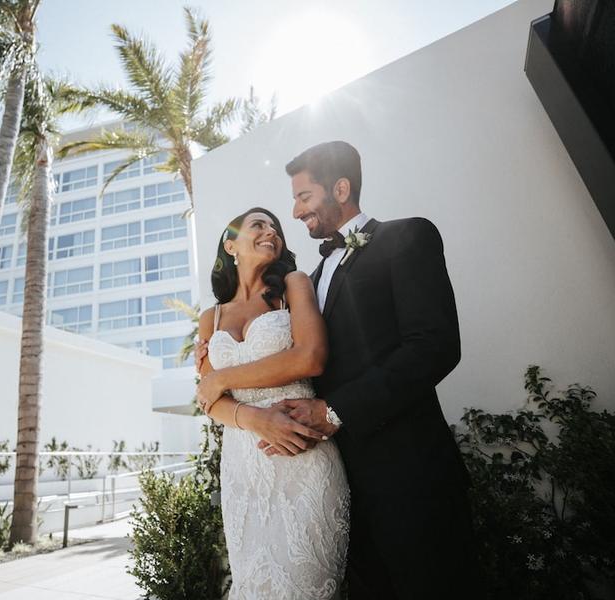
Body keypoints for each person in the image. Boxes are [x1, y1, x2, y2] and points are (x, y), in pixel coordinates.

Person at [197, 142, 481, 599]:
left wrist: (334, 410)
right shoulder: (307, 277)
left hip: (407, 474)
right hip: (335, 475)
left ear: (341, 188)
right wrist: (216, 358)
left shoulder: (406, 237)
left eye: (304, 198)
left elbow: (434, 347)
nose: (294, 212)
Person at [197, 206, 350, 599]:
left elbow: (310, 356)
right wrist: (254, 419)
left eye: (275, 228)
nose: (271, 232)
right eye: (258, 225)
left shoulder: (293, 286)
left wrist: (222, 377)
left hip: (301, 453)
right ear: (230, 245)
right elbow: (209, 400)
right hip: (242, 470)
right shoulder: (209, 319)